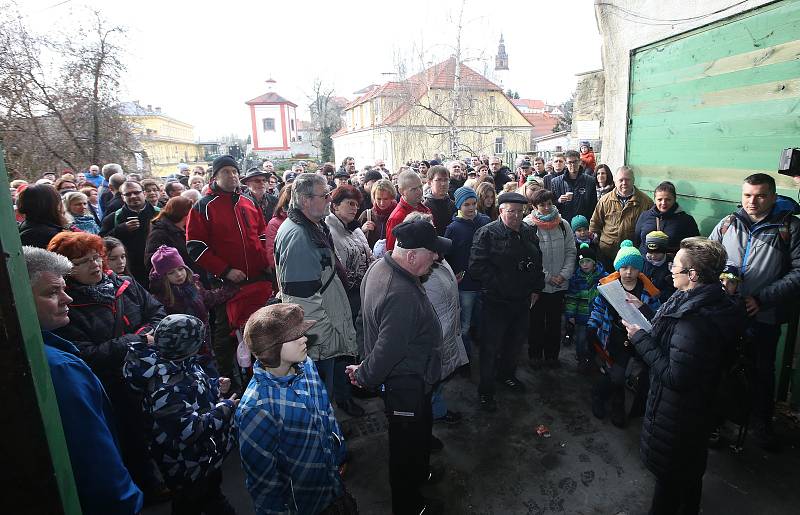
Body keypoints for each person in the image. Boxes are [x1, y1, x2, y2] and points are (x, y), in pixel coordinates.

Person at [624, 238, 745, 515]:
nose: (670, 271)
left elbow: (674, 375)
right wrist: (642, 311)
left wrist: (640, 339)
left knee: (668, 483)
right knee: (689, 474)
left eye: (675, 267)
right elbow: (672, 332)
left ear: (693, 275)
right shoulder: (703, 299)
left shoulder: (696, 322)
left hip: (678, 416)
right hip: (696, 412)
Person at [23, 246, 143, 515]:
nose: (67, 299)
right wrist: (126, 502)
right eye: (52, 292)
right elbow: (94, 456)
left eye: (64, 289)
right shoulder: (59, 368)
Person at [47, 232, 167, 499]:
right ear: (65, 270)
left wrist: (148, 334)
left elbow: (157, 311)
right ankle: (148, 485)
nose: (94, 265)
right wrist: (136, 341)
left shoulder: (125, 284)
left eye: (95, 258)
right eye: (81, 262)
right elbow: (85, 352)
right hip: (114, 384)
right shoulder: (68, 307)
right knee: (131, 437)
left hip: (149, 373)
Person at [346, 220, 449, 515]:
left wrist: (365, 364)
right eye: (433, 253)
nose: (438, 258)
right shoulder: (400, 293)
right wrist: (365, 374)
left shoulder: (382, 266)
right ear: (414, 255)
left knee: (416, 438)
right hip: (406, 384)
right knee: (405, 447)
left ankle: (420, 475)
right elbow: (388, 349)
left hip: (414, 379)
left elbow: (364, 324)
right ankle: (409, 505)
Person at [709, 173, 800, 450]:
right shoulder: (728, 223)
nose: (753, 201)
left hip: (765, 315)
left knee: (762, 370)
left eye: (760, 195)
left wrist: (761, 298)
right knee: (720, 365)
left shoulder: (789, 227)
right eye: (747, 195)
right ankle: (716, 420)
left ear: (772, 196)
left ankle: (762, 424)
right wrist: (721, 279)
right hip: (728, 313)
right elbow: (709, 257)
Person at [237, 304, 352, 514]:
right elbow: (263, 482)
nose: (305, 339)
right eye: (295, 336)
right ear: (271, 348)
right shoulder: (256, 409)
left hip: (332, 486)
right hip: (303, 504)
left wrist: (338, 452)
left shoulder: (306, 365)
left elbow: (325, 411)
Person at [122, 314, 238, 514]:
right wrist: (225, 408)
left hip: (202, 461)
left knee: (207, 497)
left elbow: (191, 390)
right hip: (187, 467)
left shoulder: (178, 362)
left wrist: (213, 387)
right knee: (198, 503)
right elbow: (189, 431)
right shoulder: (165, 387)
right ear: (188, 346)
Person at [186, 155, 273, 390]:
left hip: (258, 280)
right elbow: (195, 247)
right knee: (226, 334)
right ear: (214, 176)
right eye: (226, 171)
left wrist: (266, 261)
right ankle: (229, 382)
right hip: (226, 285)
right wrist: (225, 270)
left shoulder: (248, 201)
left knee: (261, 329)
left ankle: (264, 372)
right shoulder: (203, 206)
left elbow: (262, 234)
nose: (232, 175)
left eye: (234, 171)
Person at [274, 173, 357, 403]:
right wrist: (325, 338)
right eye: (325, 195)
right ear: (305, 200)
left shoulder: (308, 227)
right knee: (320, 396)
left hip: (321, 329)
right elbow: (302, 301)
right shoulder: (299, 236)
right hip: (318, 338)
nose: (330, 199)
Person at [469, 192, 545, 412]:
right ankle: (486, 390)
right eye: (511, 211)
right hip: (496, 302)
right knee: (490, 348)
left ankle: (507, 376)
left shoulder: (528, 231)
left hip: (522, 301)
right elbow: (476, 267)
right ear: (501, 211)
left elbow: (537, 260)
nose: (516, 216)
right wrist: (503, 284)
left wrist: (536, 288)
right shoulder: (487, 233)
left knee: (515, 343)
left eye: (520, 212)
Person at [588, 240, 660, 428]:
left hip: (637, 340)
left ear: (640, 270)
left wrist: (642, 307)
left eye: (634, 268)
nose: (628, 272)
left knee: (622, 374)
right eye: (624, 267)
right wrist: (592, 326)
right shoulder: (609, 288)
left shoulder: (648, 291)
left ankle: (602, 395)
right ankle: (614, 403)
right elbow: (598, 308)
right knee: (616, 373)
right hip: (614, 336)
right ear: (618, 268)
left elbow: (657, 316)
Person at [148, 245, 238, 371]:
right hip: (183, 349)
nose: (178, 274)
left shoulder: (194, 285)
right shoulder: (162, 299)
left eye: (180, 269)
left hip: (204, 340)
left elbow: (209, 298)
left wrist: (228, 290)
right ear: (163, 276)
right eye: (171, 272)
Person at [325, 184, 374, 417]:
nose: (355, 208)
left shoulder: (354, 229)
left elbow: (368, 254)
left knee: (358, 343)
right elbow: (338, 268)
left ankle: (358, 383)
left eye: (357, 204)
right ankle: (344, 396)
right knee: (344, 348)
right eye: (349, 203)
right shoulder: (329, 230)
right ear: (334, 206)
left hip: (361, 293)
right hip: (343, 296)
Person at [524, 189, 576, 368]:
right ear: (534, 206)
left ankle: (552, 356)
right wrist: (547, 277)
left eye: (549, 204)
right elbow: (528, 257)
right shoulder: (528, 226)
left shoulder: (564, 224)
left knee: (555, 323)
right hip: (539, 286)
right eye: (542, 205)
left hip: (560, 285)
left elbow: (571, 251)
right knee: (536, 322)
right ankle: (535, 356)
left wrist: (563, 275)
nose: (547, 208)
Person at [445, 187, 491, 370]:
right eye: (466, 204)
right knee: (464, 325)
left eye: (473, 203)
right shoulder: (453, 228)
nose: (471, 208)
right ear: (459, 206)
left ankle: (485, 356)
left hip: (486, 282)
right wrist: (453, 273)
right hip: (466, 285)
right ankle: (465, 360)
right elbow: (446, 256)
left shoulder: (486, 221)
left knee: (484, 321)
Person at [589, 166, 654, 270]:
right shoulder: (605, 200)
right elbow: (595, 224)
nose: (624, 183)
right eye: (621, 180)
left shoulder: (646, 202)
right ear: (615, 180)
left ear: (633, 180)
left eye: (627, 179)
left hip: (632, 256)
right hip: (607, 254)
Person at [100, 180, 160, 288]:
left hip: (158, 268)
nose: (133, 196)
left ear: (144, 193)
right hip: (129, 272)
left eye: (136, 192)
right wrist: (120, 229)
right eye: (128, 194)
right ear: (123, 197)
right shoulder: (113, 218)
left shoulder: (159, 213)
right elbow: (101, 241)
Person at [565, 243, 607, 372]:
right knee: (581, 340)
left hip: (598, 317)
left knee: (596, 340)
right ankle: (582, 360)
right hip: (581, 317)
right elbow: (571, 298)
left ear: (594, 262)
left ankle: (593, 359)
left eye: (588, 261)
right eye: (582, 262)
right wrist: (570, 315)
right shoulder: (576, 278)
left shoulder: (604, 277)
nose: (585, 265)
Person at [634, 181, 700, 256]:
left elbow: (694, 247)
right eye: (659, 199)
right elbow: (637, 240)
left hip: (671, 265)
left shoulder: (686, 220)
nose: (663, 203)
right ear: (655, 199)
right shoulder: (645, 216)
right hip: (645, 263)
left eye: (668, 199)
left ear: (674, 199)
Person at [145, 196, 197, 275]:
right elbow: (151, 261)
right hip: (177, 280)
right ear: (185, 214)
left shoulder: (184, 228)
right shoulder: (159, 233)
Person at [384, 170, 431, 251]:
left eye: (420, 186)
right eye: (413, 189)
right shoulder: (397, 218)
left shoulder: (425, 209)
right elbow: (391, 251)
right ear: (401, 191)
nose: (419, 192)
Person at [550, 149, 598, 224]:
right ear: (566, 163)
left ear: (579, 162)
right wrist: (559, 201)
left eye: (575, 162)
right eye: (569, 162)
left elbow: (593, 206)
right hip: (563, 223)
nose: (572, 165)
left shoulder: (590, 181)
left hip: (583, 225)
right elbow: (551, 205)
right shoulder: (555, 182)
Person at [357, 179, 398, 252]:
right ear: (373, 197)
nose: (382, 203)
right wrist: (362, 230)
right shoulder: (367, 215)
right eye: (378, 199)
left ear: (392, 197)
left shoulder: (398, 214)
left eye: (385, 199)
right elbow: (354, 239)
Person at [642, 231, 676, 303]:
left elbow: (671, 289)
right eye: (650, 252)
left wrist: (659, 296)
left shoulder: (671, 266)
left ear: (664, 252)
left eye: (657, 253)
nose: (653, 256)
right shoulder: (642, 261)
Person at [423, 165, 456, 236]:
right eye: (438, 180)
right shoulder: (425, 208)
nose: (443, 184)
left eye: (446, 180)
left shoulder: (454, 205)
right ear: (429, 182)